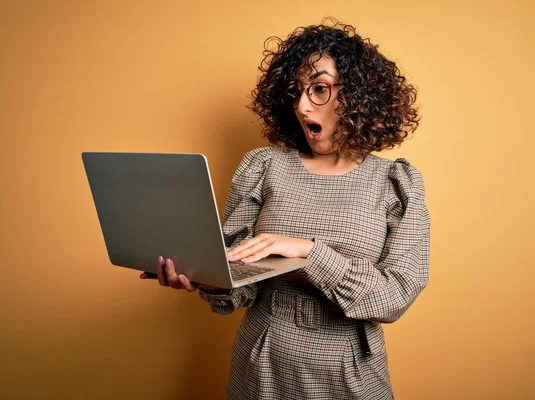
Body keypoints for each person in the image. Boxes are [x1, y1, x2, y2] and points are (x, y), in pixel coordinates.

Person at [141, 19, 430, 400]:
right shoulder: (264, 167)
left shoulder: (395, 182)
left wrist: (309, 251)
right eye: (296, 92)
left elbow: (394, 297)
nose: (302, 104)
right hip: (261, 366)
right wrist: (210, 279)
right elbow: (238, 282)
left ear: (360, 95)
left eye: (320, 89)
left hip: (346, 373)